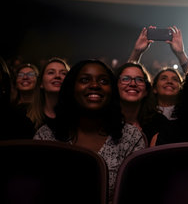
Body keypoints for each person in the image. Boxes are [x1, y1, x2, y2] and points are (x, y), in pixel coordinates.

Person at [33, 59, 146, 201]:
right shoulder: (46, 135)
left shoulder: (130, 137)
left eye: (104, 81)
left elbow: (136, 194)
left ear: (112, 91)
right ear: (71, 88)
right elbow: (35, 193)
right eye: (85, 80)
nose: (94, 85)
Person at [116, 62, 167, 145]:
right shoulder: (101, 121)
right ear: (116, 86)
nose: (132, 84)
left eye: (139, 80)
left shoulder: (159, 122)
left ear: (146, 91)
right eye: (125, 79)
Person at [27, 57, 70, 130]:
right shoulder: (25, 116)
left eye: (63, 73)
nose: (57, 76)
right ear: (41, 83)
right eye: (51, 72)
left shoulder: (79, 118)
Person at [0, 56, 35, 140]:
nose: (25, 77)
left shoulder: (19, 120)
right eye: (20, 75)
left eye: (30, 74)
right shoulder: (14, 107)